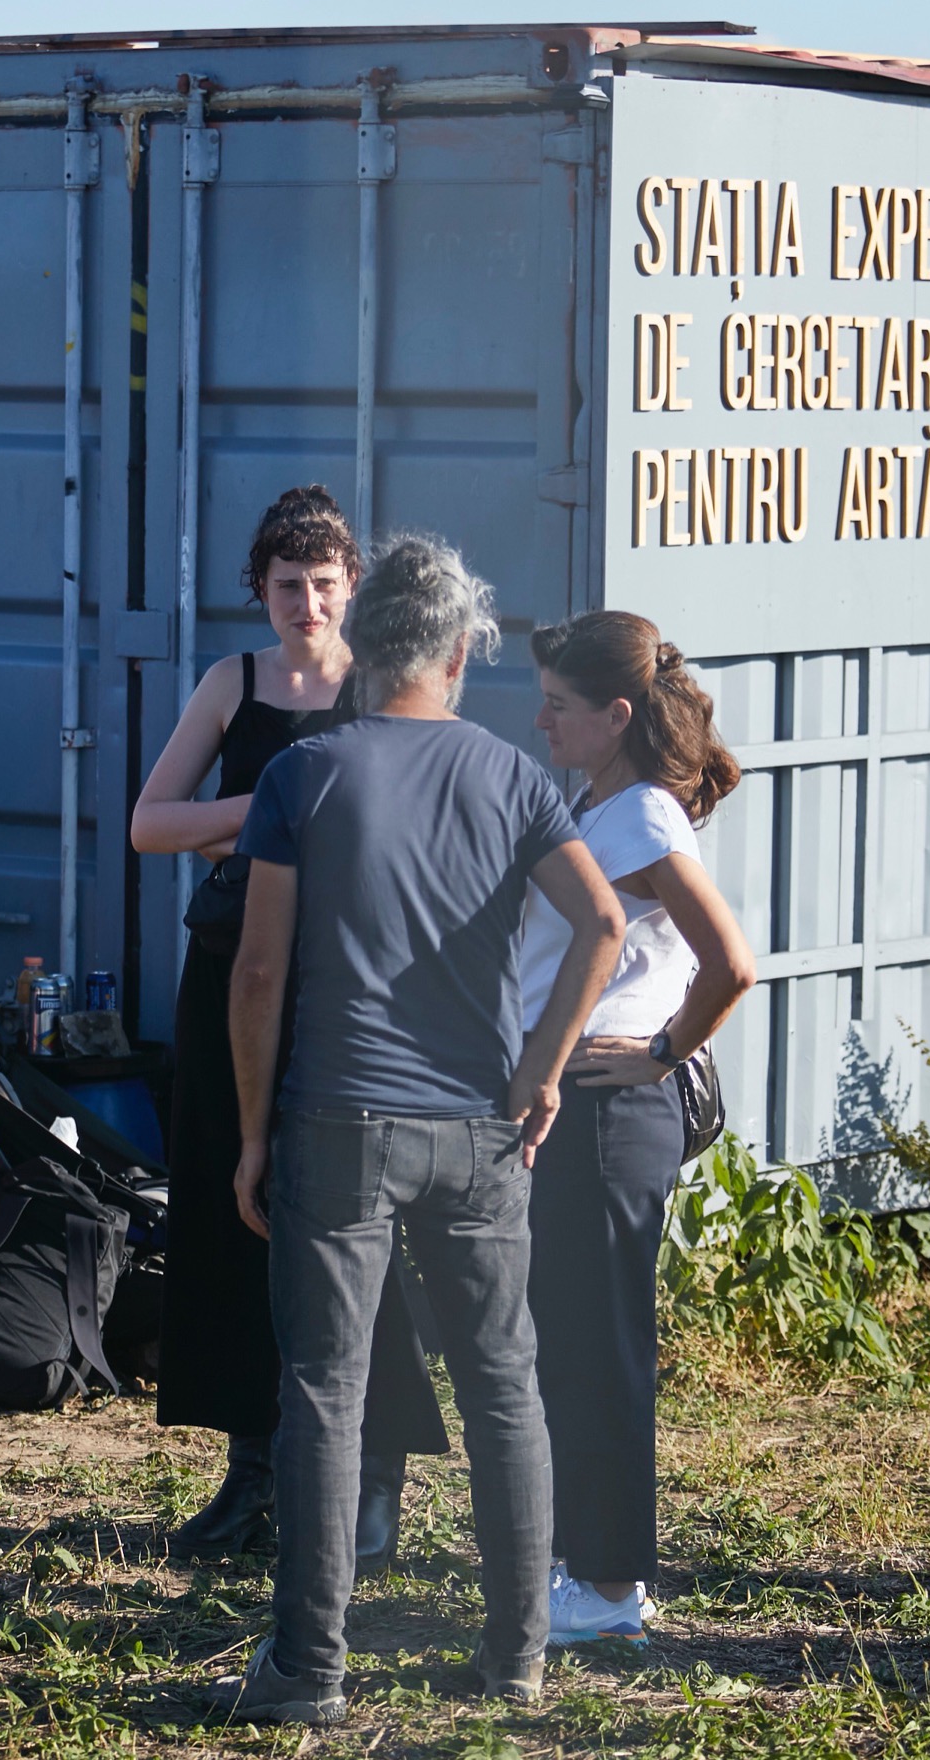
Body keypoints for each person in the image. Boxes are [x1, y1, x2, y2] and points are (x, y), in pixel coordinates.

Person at [218, 534, 626, 1725]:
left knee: (324, 1390)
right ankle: (517, 1656)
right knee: (503, 1383)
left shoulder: (306, 772)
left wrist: (252, 1133)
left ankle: (310, 1667)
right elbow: (603, 924)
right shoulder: (515, 777)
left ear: (360, 647)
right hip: (477, 1124)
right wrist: (541, 1072)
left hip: (338, 1117)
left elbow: (259, 969)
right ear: (457, 655)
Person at [130, 484, 448, 1565]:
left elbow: (409, 817)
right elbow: (151, 823)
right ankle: (252, 1472)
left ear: (353, 586)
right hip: (231, 970)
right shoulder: (233, 682)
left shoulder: (380, 683)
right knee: (230, 1217)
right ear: (257, 590)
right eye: (285, 586)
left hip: (346, 977)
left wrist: (264, 819)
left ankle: (375, 1477)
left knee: (357, 1223)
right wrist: (270, 810)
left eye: (322, 584)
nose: (305, 605)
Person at [522, 612, 756, 1644]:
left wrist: (664, 1049)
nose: (541, 721)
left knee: (601, 1346)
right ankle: (581, 1563)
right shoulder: (601, 801)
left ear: (616, 714)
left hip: (613, 1112)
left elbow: (732, 964)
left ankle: (611, 1587)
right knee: (567, 1340)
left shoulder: (647, 817)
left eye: (558, 706)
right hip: (580, 1107)